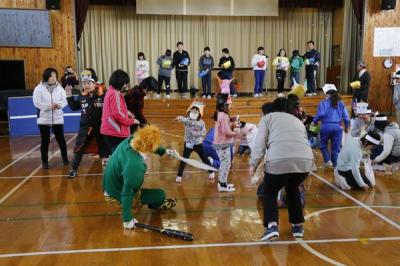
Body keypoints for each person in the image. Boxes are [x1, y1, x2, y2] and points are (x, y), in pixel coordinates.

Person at [250, 97, 314, 241]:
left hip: (279, 159)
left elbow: (260, 144)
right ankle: (297, 227)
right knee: (293, 189)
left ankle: (272, 227)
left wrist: (253, 164)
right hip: (305, 162)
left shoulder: (268, 118)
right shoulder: (297, 120)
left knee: (270, 190)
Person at [103, 125, 178, 229]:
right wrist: (127, 219)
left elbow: (147, 143)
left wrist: (165, 151)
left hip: (110, 187)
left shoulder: (132, 140)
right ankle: (157, 205)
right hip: (116, 196)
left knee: (133, 185)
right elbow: (127, 193)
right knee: (160, 195)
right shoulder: (135, 166)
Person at [66, 69, 109, 178]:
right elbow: (74, 107)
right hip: (85, 127)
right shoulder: (82, 95)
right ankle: (74, 169)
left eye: (89, 83)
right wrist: (69, 96)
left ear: (94, 83)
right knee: (79, 147)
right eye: (84, 83)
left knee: (104, 148)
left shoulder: (103, 94)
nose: (86, 85)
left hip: (101, 126)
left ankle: (108, 170)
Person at [33, 68, 69, 169]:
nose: (53, 78)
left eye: (55, 76)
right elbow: (37, 102)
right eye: (51, 76)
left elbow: (65, 100)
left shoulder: (60, 88)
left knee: (61, 139)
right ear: (46, 77)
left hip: (58, 118)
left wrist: (59, 105)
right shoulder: (38, 89)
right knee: (45, 141)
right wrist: (48, 106)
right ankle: (45, 162)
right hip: (43, 119)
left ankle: (65, 159)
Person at [175, 101, 214, 183]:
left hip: (198, 144)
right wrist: (179, 118)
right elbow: (183, 119)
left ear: (199, 113)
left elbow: (203, 132)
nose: (193, 113)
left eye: (195, 112)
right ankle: (179, 175)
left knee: (204, 158)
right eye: (192, 111)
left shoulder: (201, 123)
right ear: (189, 112)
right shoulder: (188, 120)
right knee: (184, 160)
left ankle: (211, 171)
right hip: (188, 144)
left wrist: (196, 133)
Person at [312, 84, 350, 168]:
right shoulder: (341, 103)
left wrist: (314, 121)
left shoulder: (323, 103)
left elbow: (321, 113)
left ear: (327, 93)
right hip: (337, 127)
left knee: (323, 145)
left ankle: (327, 160)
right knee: (336, 148)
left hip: (325, 126)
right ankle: (336, 166)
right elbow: (346, 116)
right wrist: (347, 125)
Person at [101, 69, 136, 153]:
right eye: (125, 84)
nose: (126, 86)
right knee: (121, 156)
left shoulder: (110, 91)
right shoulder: (115, 93)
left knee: (117, 156)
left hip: (109, 130)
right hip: (115, 131)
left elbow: (114, 109)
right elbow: (117, 113)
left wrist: (127, 112)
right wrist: (131, 121)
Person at [213, 94, 240, 192]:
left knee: (224, 163)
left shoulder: (220, 113)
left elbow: (224, 123)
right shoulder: (223, 116)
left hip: (220, 143)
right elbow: (226, 132)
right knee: (226, 163)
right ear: (225, 105)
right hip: (223, 144)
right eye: (229, 103)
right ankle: (223, 185)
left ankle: (221, 182)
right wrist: (236, 133)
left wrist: (231, 118)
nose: (230, 105)